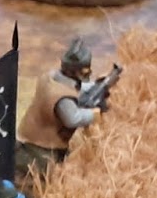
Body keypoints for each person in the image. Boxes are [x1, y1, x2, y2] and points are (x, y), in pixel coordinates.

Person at [15, 38, 100, 189]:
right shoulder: (62, 98)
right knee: (43, 180)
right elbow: (73, 119)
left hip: (30, 136)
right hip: (42, 147)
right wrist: (93, 114)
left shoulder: (51, 78)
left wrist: (95, 87)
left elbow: (75, 87)